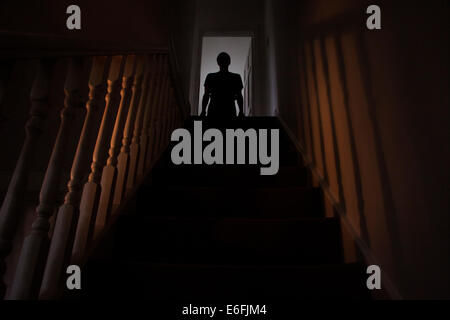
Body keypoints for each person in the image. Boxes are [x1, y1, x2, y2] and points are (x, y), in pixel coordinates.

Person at [200, 52, 244, 119]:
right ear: (229, 62)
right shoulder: (236, 77)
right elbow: (239, 96)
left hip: (214, 109)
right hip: (229, 109)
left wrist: (203, 111)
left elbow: (206, 95)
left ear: (218, 62)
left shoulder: (210, 77)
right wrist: (241, 111)